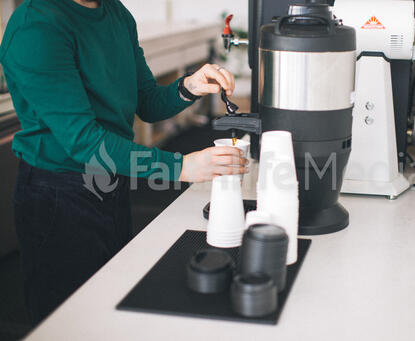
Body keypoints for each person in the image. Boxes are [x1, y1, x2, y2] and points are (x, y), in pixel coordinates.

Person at [0, 0, 247, 324]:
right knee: (66, 322)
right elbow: (84, 142)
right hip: (59, 194)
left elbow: (145, 100)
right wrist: (181, 167)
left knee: (109, 307)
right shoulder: (36, 26)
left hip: (111, 179)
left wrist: (188, 87)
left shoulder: (115, 13)